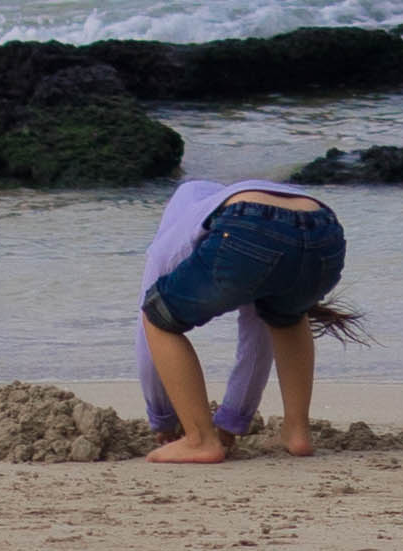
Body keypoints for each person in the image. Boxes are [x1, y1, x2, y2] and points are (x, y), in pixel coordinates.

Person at [138, 174, 352, 461]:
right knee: (286, 316)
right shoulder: (226, 201)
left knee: (158, 319)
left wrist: (163, 417)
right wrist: (232, 420)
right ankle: (297, 432)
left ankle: (199, 440)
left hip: (249, 225)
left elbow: (148, 332)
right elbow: (257, 336)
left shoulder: (170, 240)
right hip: (324, 228)